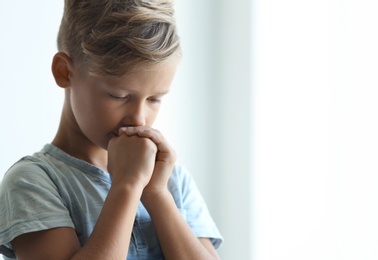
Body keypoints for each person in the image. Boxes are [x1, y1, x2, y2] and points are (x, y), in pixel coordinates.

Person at [0, 0, 223, 259]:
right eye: (118, 96)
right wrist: (127, 186)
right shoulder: (33, 182)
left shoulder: (170, 178)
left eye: (154, 99)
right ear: (64, 72)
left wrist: (157, 194)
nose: (139, 119)